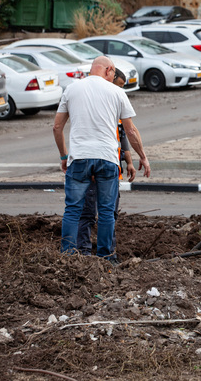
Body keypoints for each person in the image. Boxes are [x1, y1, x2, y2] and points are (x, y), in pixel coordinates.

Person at [52, 56, 151, 265]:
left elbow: (57, 127)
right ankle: (107, 258)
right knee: (106, 211)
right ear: (109, 70)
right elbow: (130, 130)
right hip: (107, 158)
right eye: (114, 74)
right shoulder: (117, 92)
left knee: (73, 209)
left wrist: (63, 155)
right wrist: (142, 156)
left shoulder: (72, 89)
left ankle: (68, 258)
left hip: (79, 158)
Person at [77, 68, 136, 262]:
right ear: (109, 76)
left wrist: (129, 161)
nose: (120, 90)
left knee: (109, 214)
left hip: (111, 168)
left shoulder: (114, 102)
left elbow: (123, 134)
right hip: (96, 165)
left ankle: (107, 252)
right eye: (118, 85)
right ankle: (86, 253)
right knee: (88, 213)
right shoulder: (94, 102)